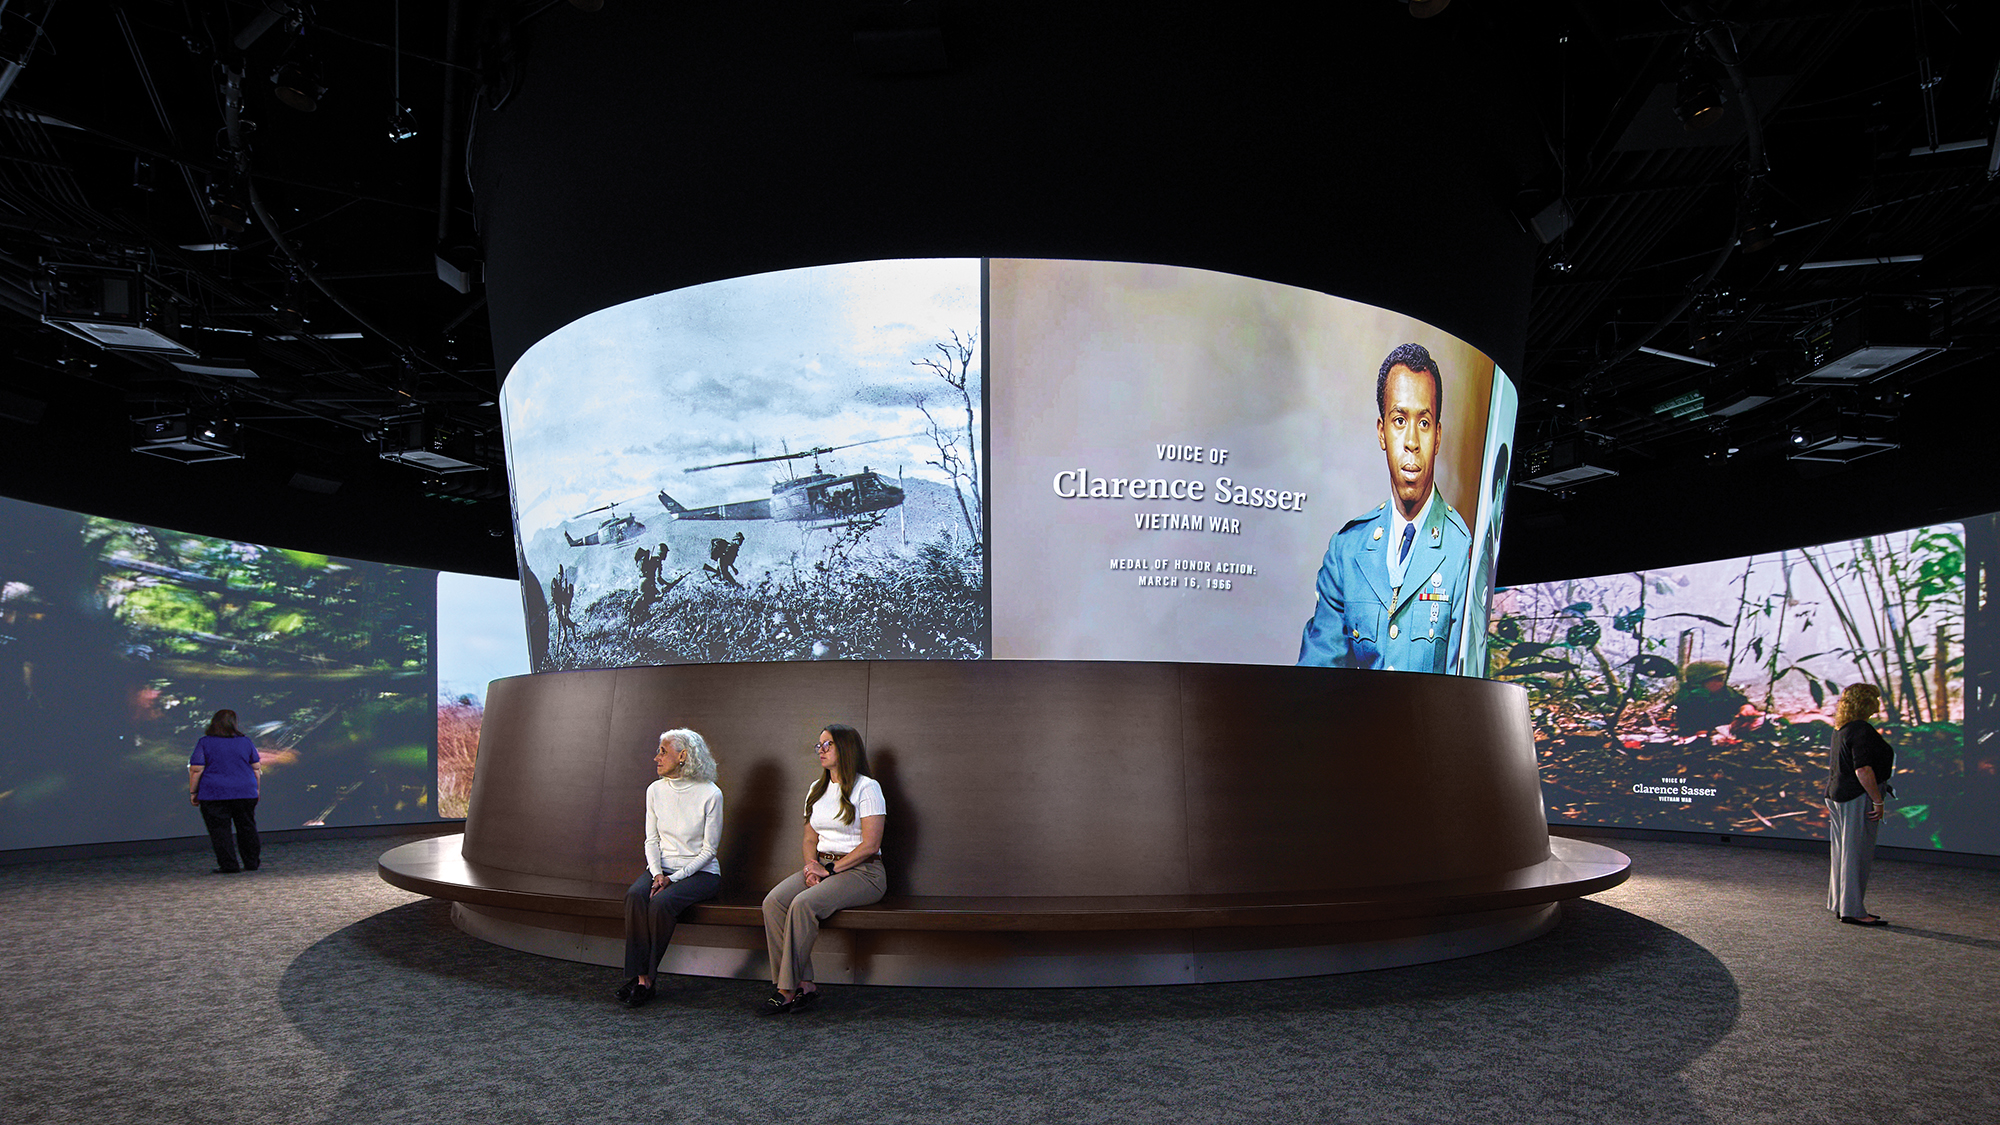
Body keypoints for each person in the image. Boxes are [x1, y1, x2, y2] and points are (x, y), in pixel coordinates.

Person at [1298, 342, 1472, 673]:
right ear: (1382, 432)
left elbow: (1460, 696)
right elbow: (1314, 684)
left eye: (1423, 423)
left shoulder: (1462, 551)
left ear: (1437, 436)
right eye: (1399, 420)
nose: (1411, 441)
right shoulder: (1347, 551)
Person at [759, 723, 886, 1014]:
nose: (821, 750)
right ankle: (804, 984)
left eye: (828, 744)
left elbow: (870, 844)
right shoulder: (817, 789)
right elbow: (808, 838)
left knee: (803, 904)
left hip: (865, 872)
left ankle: (786, 989)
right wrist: (811, 867)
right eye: (819, 745)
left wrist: (830, 870)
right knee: (774, 902)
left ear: (846, 749)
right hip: (824, 867)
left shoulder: (868, 787)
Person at [617, 729, 725, 1008]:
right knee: (635, 896)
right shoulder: (654, 790)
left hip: (700, 874)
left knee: (661, 904)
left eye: (663, 751)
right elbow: (651, 840)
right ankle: (641, 977)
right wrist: (657, 874)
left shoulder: (711, 794)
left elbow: (708, 851)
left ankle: (646, 981)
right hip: (660, 869)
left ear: (683, 756)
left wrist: (674, 878)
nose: (656, 758)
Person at [1825, 683, 1895, 926]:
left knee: (1843, 852)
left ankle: (1841, 903)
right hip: (1855, 796)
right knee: (1856, 853)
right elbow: (1862, 769)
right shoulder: (1861, 730)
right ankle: (1853, 909)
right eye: (1874, 698)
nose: (1878, 703)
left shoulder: (1842, 728)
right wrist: (1877, 800)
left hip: (1837, 794)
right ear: (1865, 702)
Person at [189, 709, 261, 873]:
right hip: (245, 791)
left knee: (220, 830)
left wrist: (193, 792)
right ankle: (252, 863)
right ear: (234, 723)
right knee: (247, 827)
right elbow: (256, 768)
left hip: (214, 792)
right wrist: (256, 789)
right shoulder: (245, 741)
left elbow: (196, 769)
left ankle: (229, 865)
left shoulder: (205, 742)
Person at [1674, 660, 1761, 740]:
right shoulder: (1687, 700)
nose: (1722, 683)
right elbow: (1691, 731)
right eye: (1719, 680)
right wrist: (1718, 732)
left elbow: (1740, 701)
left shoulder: (1723, 692)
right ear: (1701, 682)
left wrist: (1746, 708)